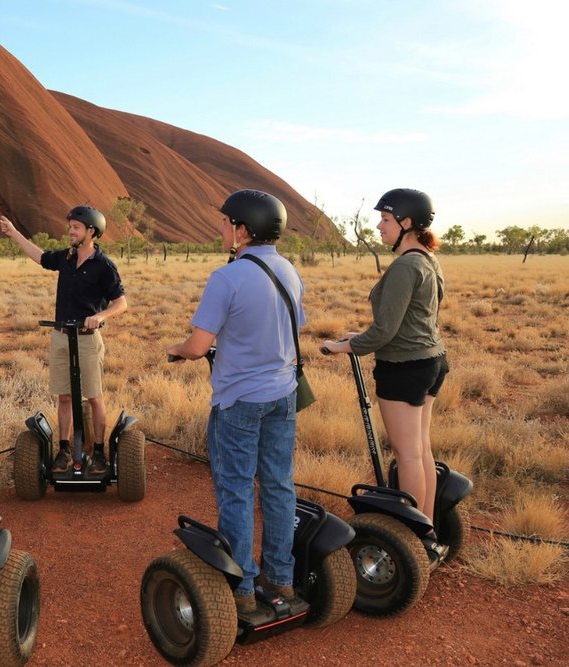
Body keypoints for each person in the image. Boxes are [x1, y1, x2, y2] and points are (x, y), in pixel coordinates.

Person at [166, 189, 304, 614]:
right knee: (279, 485)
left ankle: (242, 589)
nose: (220, 227)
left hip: (240, 400)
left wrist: (178, 349)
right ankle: (281, 577)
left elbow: (199, 344)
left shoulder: (226, 277)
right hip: (283, 395)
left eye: (226, 222)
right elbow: (294, 327)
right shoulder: (290, 271)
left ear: (243, 230)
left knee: (237, 489)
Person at [322, 188, 448, 563]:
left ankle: (410, 542)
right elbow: (408, 320)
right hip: (431, 361)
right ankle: (424, 531)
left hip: (404, 368)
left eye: (386, 220)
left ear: (406, 223)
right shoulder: (427, 260)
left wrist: (344, 346)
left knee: (407, 455)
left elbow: (386, 331)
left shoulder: (405, 266)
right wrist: (358, 336)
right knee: (420, 450)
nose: (379, 225)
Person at [0, 205, 127, 475]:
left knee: (94, 397)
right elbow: (41, 257)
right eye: (70, 226)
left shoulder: (104, 266)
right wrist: (13, 233)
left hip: (87, 339)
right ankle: (65, 450)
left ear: (91, 231)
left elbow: (121, 303)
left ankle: (100, 453)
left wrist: (101, 316)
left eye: (76, 227)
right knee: (65, 397)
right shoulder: (66, 258)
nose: (71, 231)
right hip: (60, 337)